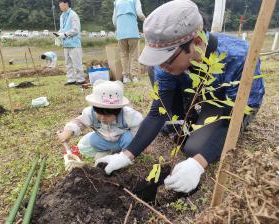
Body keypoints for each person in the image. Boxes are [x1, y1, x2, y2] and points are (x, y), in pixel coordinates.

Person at [95, 0, 264, 193]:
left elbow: (235, 117)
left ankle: (198, 123)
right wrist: (125, 155)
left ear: (197, 43)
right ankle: (187, 119)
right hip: (192, 89)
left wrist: (198, 163)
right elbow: (158, 113)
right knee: (170, 119)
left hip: (224, 102)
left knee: (195, 149)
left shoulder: (240, 56)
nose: (162, 66)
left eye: (166, 60)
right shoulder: (168, 63)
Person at [57, 80, 144, 166]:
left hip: (121, 139)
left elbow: (139, 127)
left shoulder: (128, 115)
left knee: (128, 138)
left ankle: (124, 156)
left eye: (108, 116)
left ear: (119, 110)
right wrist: (69, 131)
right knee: (93, 140)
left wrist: (144, 143)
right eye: (99, 114)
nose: (102, 118)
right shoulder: (90, 113)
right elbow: (80, 122)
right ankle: (106, 153)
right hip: (104, 140)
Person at [113, 0, 146, 83]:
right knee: (134, 55)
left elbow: (114, 19)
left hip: (121, 33)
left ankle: (125, 77)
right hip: (132, 31)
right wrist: (146, 20)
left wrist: (119, 28)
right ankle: (134, 76)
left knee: (123, 55)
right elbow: (139, 14)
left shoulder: (117, 1)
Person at [57, 0, 85, 85]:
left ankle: (80, 80)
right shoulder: (62, 16)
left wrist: (64, 35)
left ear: (66, 3)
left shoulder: (73, 15)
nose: (59, 5)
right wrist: (58, 35)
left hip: (74, 43)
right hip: (65, 43)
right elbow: (62, 29)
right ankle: (71, 80)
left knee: (77, 63)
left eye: (60, 3)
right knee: (68, 63)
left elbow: (75, 30)